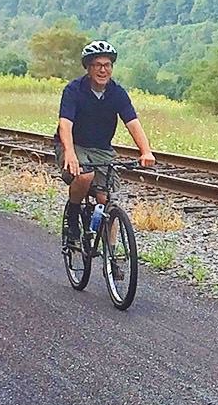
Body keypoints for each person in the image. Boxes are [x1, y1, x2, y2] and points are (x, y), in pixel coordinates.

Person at [55, 40, 154, 250]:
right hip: (75, 145)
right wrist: (70, 154)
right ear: (88, 68)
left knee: (106, 200)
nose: (103, 69)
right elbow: (65, 125)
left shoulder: (117, 93)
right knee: (85, 175)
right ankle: (73, 217)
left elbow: (132, 122)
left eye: (107, 65)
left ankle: (112, 254)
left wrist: (145, 151)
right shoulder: (74, 90)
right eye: (97, 65)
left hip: (101, 150)